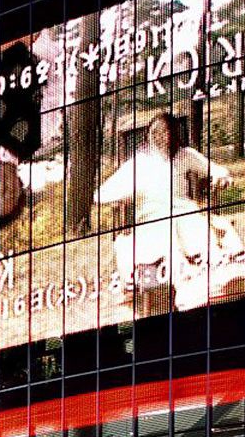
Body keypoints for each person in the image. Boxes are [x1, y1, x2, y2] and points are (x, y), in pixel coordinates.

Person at [96, 111, 236, 311]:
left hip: (184, 210)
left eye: (165, 132)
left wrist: (222, 177)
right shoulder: (138, 163)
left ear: (174, 134)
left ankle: (215, 283)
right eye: (156, 133)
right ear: (149, 135)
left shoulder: (186, 155)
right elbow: (101, 194)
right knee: (166, 235)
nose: (160, 137)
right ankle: (185, 288)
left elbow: (216, 170)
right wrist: (124, 194)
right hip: (151, 217)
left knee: (201, 231)